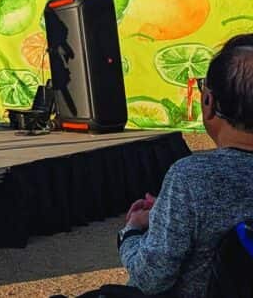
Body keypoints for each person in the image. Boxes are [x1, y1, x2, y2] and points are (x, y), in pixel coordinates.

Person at [68, 33, 253, 298]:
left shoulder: (191, 177)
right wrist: (165, 213)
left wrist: (131, 232)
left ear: (209, 103)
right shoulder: (190, 184)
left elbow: (150, 277)